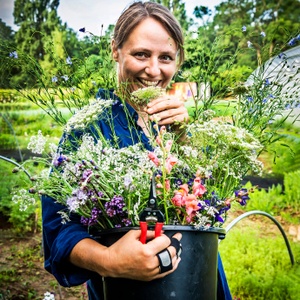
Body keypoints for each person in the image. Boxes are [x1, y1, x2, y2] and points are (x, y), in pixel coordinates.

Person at [42, 2, 231, 299]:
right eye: (141, 54)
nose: (153, 70)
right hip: (127, 290)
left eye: (166, 57)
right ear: (115, 50)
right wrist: (110, 261)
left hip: (198, 281)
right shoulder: (87, 129)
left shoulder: (177, 124)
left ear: (178, 61)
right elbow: (58, 232)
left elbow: (210, 211)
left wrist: (183, 138)